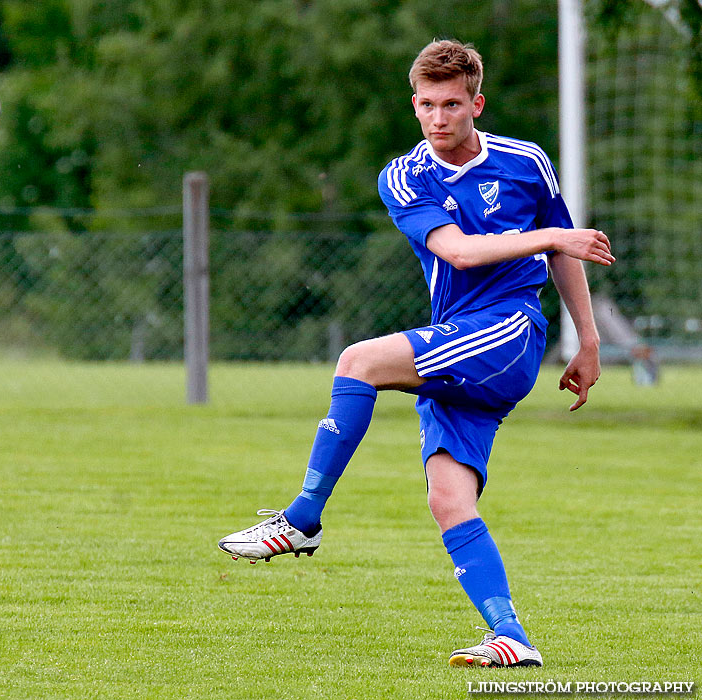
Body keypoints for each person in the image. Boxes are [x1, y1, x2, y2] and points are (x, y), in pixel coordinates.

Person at [218, 39, 613, 668]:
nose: (438, 118)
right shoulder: (405, 176)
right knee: (448, 501)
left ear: (476, 104)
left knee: (357, 362)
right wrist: (552, 235)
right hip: (462, 336)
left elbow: (565, 253)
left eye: (452, 104)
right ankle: (512, 635)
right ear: (414, 105)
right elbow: (457, 250)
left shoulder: (525, 161)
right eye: (427, 105)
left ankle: (300, 520)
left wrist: (588, 341)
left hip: (510, 332)